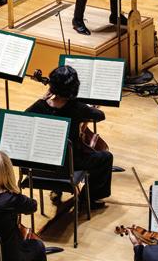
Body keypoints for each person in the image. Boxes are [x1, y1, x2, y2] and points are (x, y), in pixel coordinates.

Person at [26, 66, 112, 209]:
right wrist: (88, 107)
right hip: (70, 165)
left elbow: (24, 117)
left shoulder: (39, 106)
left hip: (42, 166)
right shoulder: (77, 108)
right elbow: (100, 116)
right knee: (105, 157)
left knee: (55, 148)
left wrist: (42, 99)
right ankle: (88, 199)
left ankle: (56, 189)